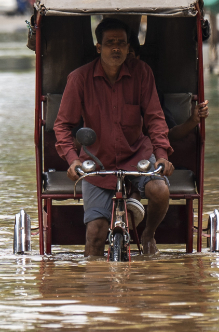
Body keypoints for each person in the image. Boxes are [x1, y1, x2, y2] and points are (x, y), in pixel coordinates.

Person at [54, 18, 173, 257]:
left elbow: (155, 118)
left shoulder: (142, 73)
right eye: (110, 43)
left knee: (160, 190)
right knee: (95, 236)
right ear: (99, 47)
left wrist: (161, 155)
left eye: (121, 43)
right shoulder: (79, 79)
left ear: (129, 47)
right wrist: (72, 160)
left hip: (137, 154)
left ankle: (148, 234)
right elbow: (62, 125)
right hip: (97, 161)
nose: (116, 48)